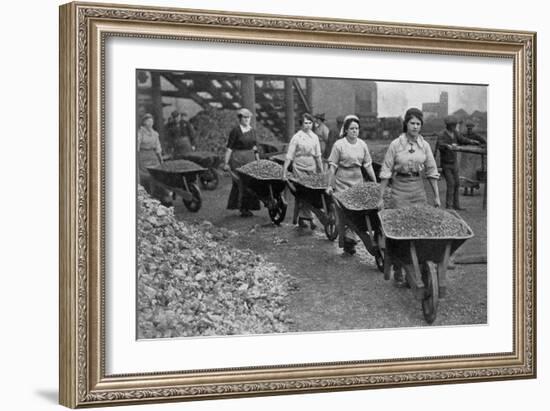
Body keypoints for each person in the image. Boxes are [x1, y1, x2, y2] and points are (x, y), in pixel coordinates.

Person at [377, 108, 441, 287]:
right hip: (399, 189)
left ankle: (416, 267)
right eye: (412, 123)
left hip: (418, 189)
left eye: (418, 124)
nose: (415, 126)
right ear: (406, 124)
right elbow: (386, 171)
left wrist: (436, 196)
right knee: (400, 231)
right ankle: (398, 266)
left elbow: (431, 171)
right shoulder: (396, 145)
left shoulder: (424, 145)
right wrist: (381, 197)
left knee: (420, 229)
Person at [326, 115, 377, 255]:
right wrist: (330, 185)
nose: (355, 131)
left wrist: (375, 182)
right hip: (342, 180)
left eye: (357, 128)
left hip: (357, 180)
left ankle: (351, 237)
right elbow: (332, 167)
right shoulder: (339, 145)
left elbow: (368, 165)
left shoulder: (362, 145)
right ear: (346, 130)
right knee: (346, 211)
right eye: (352, 129)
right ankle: (349, 239)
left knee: (359, 210)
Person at [283, 113, 324, 229]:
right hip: (299, 166)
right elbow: (290, 155)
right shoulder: (297, 137)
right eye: (305, 123)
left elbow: (318, 156)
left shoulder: (314, 137)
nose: (308, 125)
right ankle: (310, 219)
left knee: (312, 192)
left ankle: (302, 217)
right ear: (301, 124)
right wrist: (284, 170)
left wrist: (321, 171)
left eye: (310, 123)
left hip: (311, 166)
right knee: (304, 191)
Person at [435, 115, 480, 210]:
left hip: (454, 162)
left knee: (457, 183)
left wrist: (472, 141)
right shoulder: (442, 134)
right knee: (451, 183)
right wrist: (448, 146)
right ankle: (449, 206)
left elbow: (462, 140)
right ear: (448, 125)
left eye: (455, 125)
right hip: (446, 163)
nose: (454, 127)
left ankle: (456, 206)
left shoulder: (455, 133)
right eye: (453, 125)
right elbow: (440, 144)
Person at [222, 108, 261, 217]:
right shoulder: (235, 131)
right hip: (238, 159)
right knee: (241, 183)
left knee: (252, 183)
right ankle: (242, 208)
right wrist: (226, 162)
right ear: (240, 118)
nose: (247, 119)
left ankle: (250, 206)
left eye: (248, 117)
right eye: (244, 117)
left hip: (250, 159)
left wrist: (258, 161)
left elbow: (255, 147)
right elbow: (229, 148)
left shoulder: (252, 131)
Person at [137, 113, 171, 206]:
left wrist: (160, 159)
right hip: (143, 156)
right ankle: (147, 197)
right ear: (144, 122)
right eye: (148, 121)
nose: (151, 123)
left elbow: (158, 147)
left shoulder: (155, 134)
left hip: (153, 156)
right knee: (146, 177)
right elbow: (137, 147)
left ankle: (162, 196)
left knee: (158, 175)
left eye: (152, 121)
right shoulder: (140, 133)